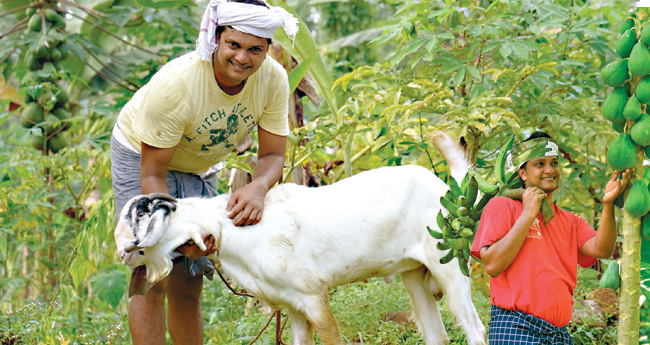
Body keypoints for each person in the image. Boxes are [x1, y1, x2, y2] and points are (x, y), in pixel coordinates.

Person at [109, 0, 298, 343]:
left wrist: (258, 188)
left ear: (268, 49)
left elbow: (272, 155)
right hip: (142, 157)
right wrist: (173, 233)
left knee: (190, 275)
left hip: (201, 163)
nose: (242, 58)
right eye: (234, 45)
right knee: (152, 269)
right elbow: (153, 177)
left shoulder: (273, 79)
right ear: (216, 38)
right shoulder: (177, 85)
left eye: (255, 49)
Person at [470, 132, 631, 344]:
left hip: (559, 333)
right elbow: (492, 264)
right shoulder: (502, 206)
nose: (549, 170)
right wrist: (528, 214)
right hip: (516, 326)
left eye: (554, 163)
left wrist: (608, 204)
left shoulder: (570, 220)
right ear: (523, 173)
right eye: (539, 164)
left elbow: (603, 250)